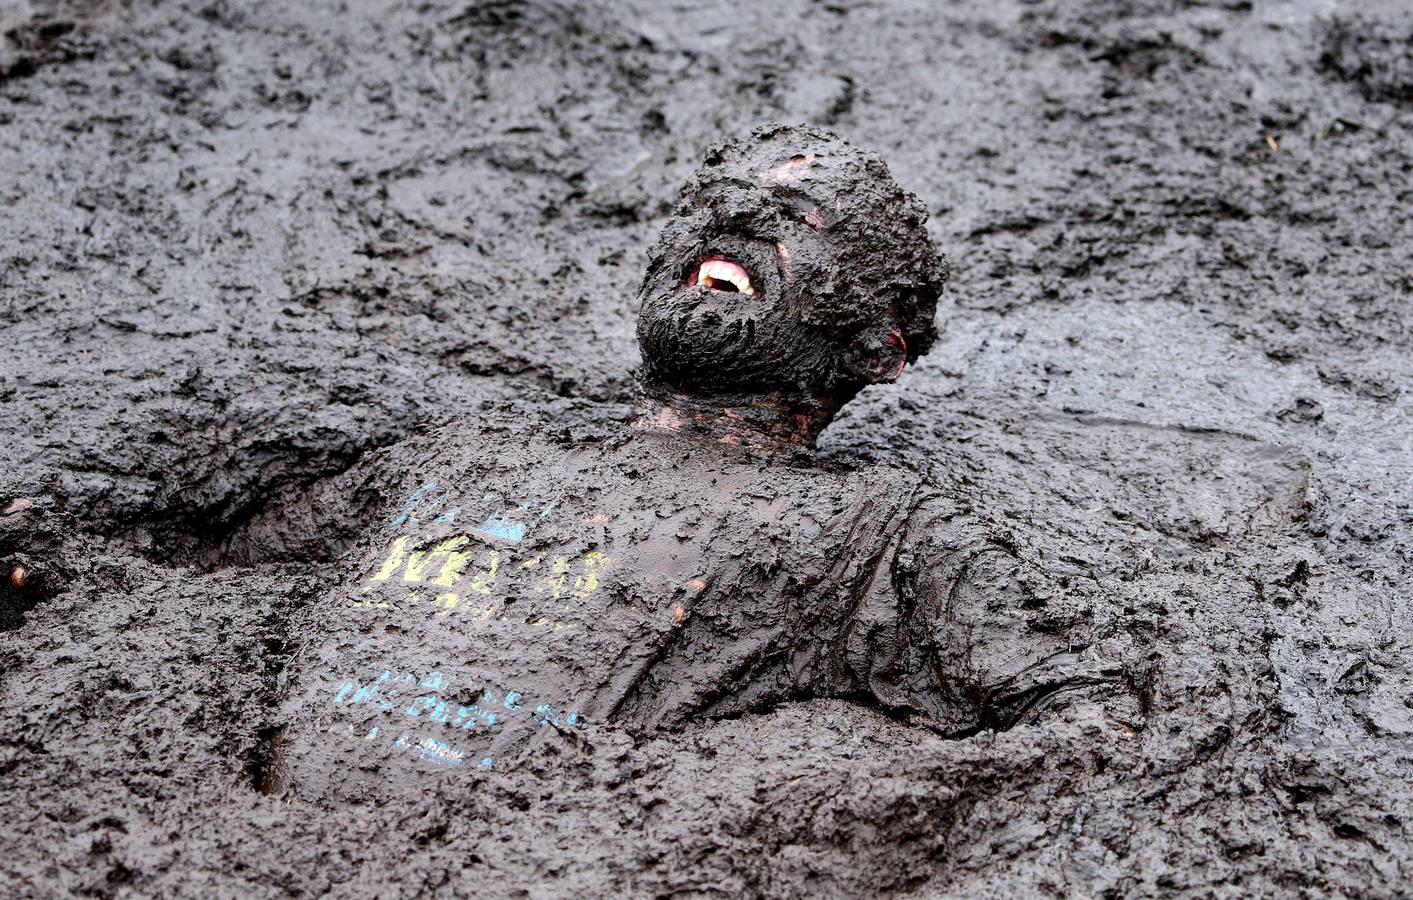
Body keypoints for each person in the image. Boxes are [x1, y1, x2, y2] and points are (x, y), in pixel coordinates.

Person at [260, 124, 1119, 801]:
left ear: (875, 349)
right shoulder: (469, 449)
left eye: (796, 217)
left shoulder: (874, 532)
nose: (734, 220)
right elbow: (227, 554)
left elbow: (1087, 722)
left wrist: (789, 785)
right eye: (714, 200)